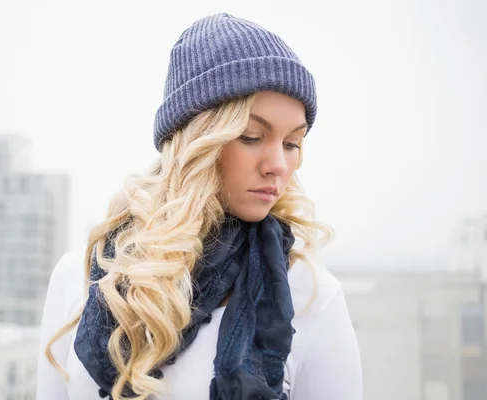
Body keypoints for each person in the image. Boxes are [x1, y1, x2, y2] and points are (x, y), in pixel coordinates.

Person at [36, 12, 363, 400]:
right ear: (196, 142)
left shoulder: (309, 295)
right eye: (252, 136)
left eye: (292, 143)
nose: (278, 164)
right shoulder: (81, 277)